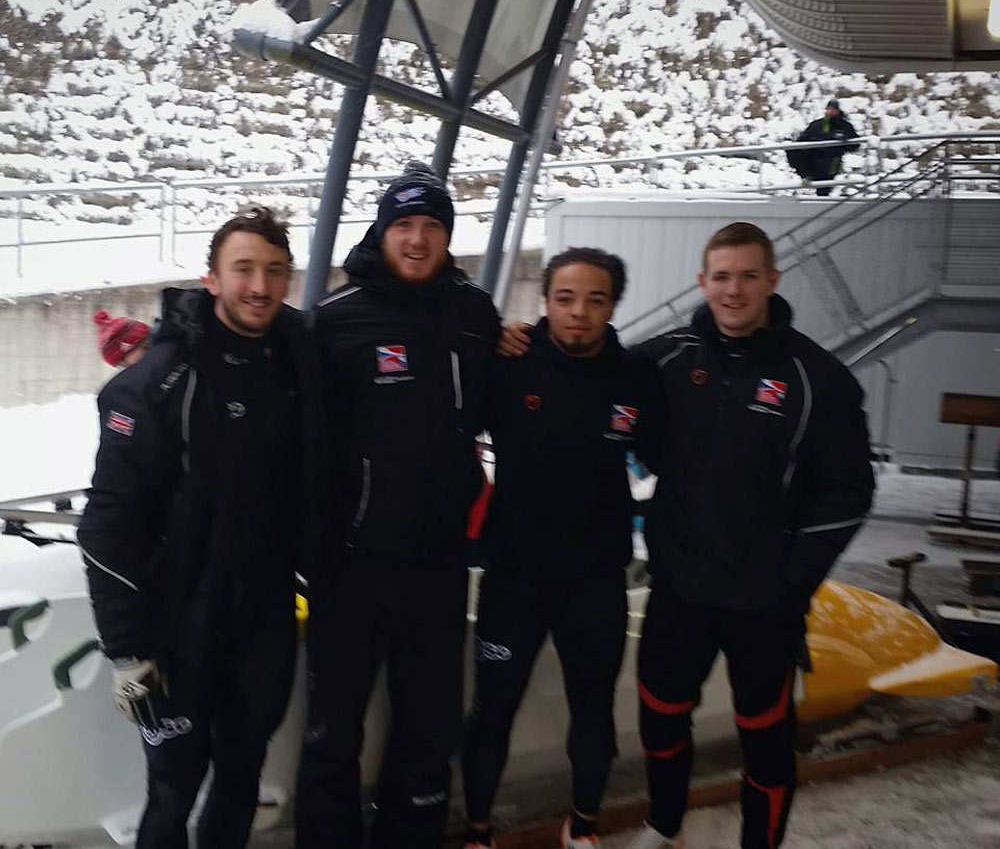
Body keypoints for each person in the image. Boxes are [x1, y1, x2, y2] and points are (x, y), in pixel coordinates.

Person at [78, 206, 323, 849]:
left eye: (274, 272)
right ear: (211, 279)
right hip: (176, 628)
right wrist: (127, 649)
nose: (260, 287)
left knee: (241, 777)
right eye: (243, 269)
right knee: (173, 789)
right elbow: (108, 526)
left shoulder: (300, 358)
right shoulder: (158, 385)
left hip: (264, 621)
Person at [627, 222, 875, 849]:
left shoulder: (818, 378)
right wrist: (522, 341)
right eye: (721, 277)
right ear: (701, 282)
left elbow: (848, 491)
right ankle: (663, 825)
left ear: (772, 280)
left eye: (746, 276)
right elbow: (584, 372)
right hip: (681, 586)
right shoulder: (664, 359)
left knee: (764, 733)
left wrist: (793, 580)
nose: (733, 291)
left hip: (764, 600)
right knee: (660, 716)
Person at [295, 161, 500, 849]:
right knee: (333, 732)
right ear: (382, 232)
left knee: (429, 728)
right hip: (349, 568)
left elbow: (508, 401)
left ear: (447, 235)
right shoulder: (336, 320)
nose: (417, 239)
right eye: (404, 225)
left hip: (437, 567)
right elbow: (298, 441)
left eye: (432, 226)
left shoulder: (473, 315)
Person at [462, 247, 660, 849]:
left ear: (612, 306)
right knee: (493, 712)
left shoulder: (636, 378)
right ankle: (477, 831)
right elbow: (444, 431)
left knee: (594, 711)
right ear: (544, 302)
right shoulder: (510, 365)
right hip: (513, 578)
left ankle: (584, 827)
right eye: (565, 298)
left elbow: (673, 458)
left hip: (595, 580)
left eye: (595, 300)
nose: (579, 313)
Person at [787, 98, 860, 195]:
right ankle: (806, 176)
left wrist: (843, 139)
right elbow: (801, 141)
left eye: (834, 109)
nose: (831, 111)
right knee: (793, 150)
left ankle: (822, 195)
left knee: (824, 187)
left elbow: (855, 144)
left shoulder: (844, 126)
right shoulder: (817, 125)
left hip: (832, 160)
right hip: (814, 159)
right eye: (829, 109)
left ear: (838, 110)